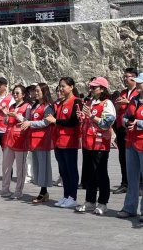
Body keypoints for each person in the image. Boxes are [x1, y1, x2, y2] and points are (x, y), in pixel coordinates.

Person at [75, 77, 116, 215]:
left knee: (101, 173)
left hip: (100, 144)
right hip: (88, 143)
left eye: (94, 87)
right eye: (91, 87)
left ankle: (103, 202)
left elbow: (107, 123)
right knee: (89, 173)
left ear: (102, 89)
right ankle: (90, 201)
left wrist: (91, 116)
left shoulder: (107, 103)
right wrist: (82, 116)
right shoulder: (90, 101)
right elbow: (86, 120)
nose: (91, 89)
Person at [46, 77, 83, 209]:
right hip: (58, 141)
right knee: (63, 170)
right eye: (60, 86)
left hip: (69, 141)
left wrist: (55, 121)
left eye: (63, 86)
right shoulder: (61, 103)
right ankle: (66, 195)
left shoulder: (77, 102)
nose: (61, 89)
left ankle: (73, 197)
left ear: (71, 87)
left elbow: (73, 122)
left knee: (71, 169)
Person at [20, 83, 54, 204]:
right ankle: (42, 191)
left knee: (43, 165)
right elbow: (30, 120)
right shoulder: (34, 106)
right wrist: (22, 120)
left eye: (38, 90)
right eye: (35, 91)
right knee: (37, 166)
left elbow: (45, 122)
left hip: (42, 140)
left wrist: (30, 123)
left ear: (44, 92)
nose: (36, 93)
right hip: (34, 139)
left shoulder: (48, 106)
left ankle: (43, 192)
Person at [0, 84, 31, 199]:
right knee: (6, 166)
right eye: (14, 93)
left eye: (17, 93)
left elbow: (27, 121)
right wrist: (6, 117)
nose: (15, 95)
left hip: (20, 139)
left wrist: (16, 115)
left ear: (23, 95)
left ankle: (18, 191)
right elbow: (7, 122)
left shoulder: (27, 106)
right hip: (9, 138)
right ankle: (5, 189)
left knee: (20, 168)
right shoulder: (11, 106)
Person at [117, 72, 143, 221]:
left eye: (140, 82)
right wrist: (126, 122)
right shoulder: (133, 100)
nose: (137, 84)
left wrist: (138, 123)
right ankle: (129, 208)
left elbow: (138, 121)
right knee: (132, 177)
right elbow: (126, 116)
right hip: (131, 142)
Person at [113, 68, 139, 194]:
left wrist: (128, 102)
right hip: (121, 128)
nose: (125, 79)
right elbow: (116, 109)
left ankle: (139, 184)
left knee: (136, 157)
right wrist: (117, 105)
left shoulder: (138, 93)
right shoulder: (123, 92)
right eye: (124, 76)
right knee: (122, 156)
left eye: (127, 76)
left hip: (134, 128)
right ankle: (125, 182)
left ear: (134, 77)